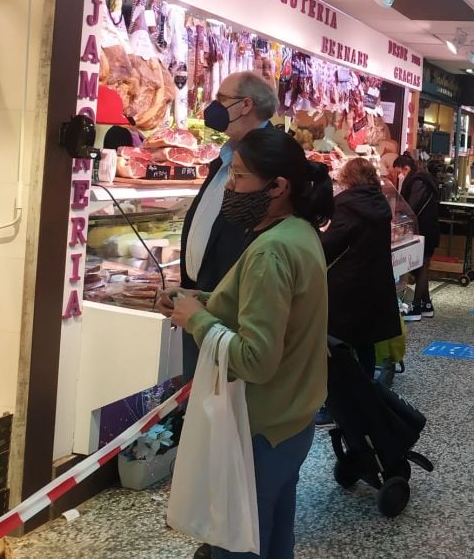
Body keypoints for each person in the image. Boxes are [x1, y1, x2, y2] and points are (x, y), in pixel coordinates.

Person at [163, 127, 333, 559]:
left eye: (238, 177)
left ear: (277, 186)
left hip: (257, 425)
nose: (230, 188)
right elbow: (278, 316)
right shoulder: (299, 232)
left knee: (239, 542)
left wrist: (197, 320)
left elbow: (255, 360)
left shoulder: (269, 251)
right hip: (291, 419)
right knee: (273, 535)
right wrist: (199, 301)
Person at [180, 72, 277, 382]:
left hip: (231, 323)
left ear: (245, 105)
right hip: (204, 306)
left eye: (221, 99)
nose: (214, 106)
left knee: (224, 415)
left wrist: (214, 300)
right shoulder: (226, 157)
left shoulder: (271, 160)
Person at [321, 157, 401, 376]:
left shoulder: (348, 204)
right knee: (366, 339)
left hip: (347, 283)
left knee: (339, 339)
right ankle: (367, 385)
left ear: (348, 178)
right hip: (375, 281)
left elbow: (331, 244)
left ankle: (344, 390)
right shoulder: (380, 201)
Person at [394, 154, 440, 320]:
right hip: (427, 230)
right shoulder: (422, 180)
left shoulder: (418, 183)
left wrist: (399, 220)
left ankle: (416, 308)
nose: (399, 176)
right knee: (422, 267)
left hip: (424, 230)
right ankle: (426, 305)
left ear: (406, 168)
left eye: (400, 172)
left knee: (421, 268)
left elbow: (410, 207)